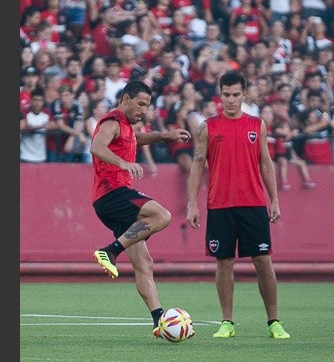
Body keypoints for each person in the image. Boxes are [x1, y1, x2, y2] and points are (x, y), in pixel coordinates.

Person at [186, 70, 290, 340]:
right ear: (219, 96)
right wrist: (192, 204)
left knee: (263, 260)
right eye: (226, 95)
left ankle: (274, 322)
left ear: (244, 95)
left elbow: (266, 164)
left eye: (235, 95)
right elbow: (197, 164)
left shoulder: (257, 125)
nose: (230, 100)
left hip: (253, 204)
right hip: (220, 205)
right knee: (224, 262)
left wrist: (274, 200)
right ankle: (227, 322)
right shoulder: (208, 127)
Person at [89, 80, 192, 338]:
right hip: (113, 193)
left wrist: (166, 136)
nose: (144, 110)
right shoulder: (112, 121)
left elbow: (136, 139)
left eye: (147, 105)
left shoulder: (126, 127)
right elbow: (96, 146)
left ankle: (159, 321)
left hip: (109, 198)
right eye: (141, 104)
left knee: (144, 263)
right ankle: (110, 251)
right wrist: (122, 163)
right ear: (126, 99)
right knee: (162, 215)